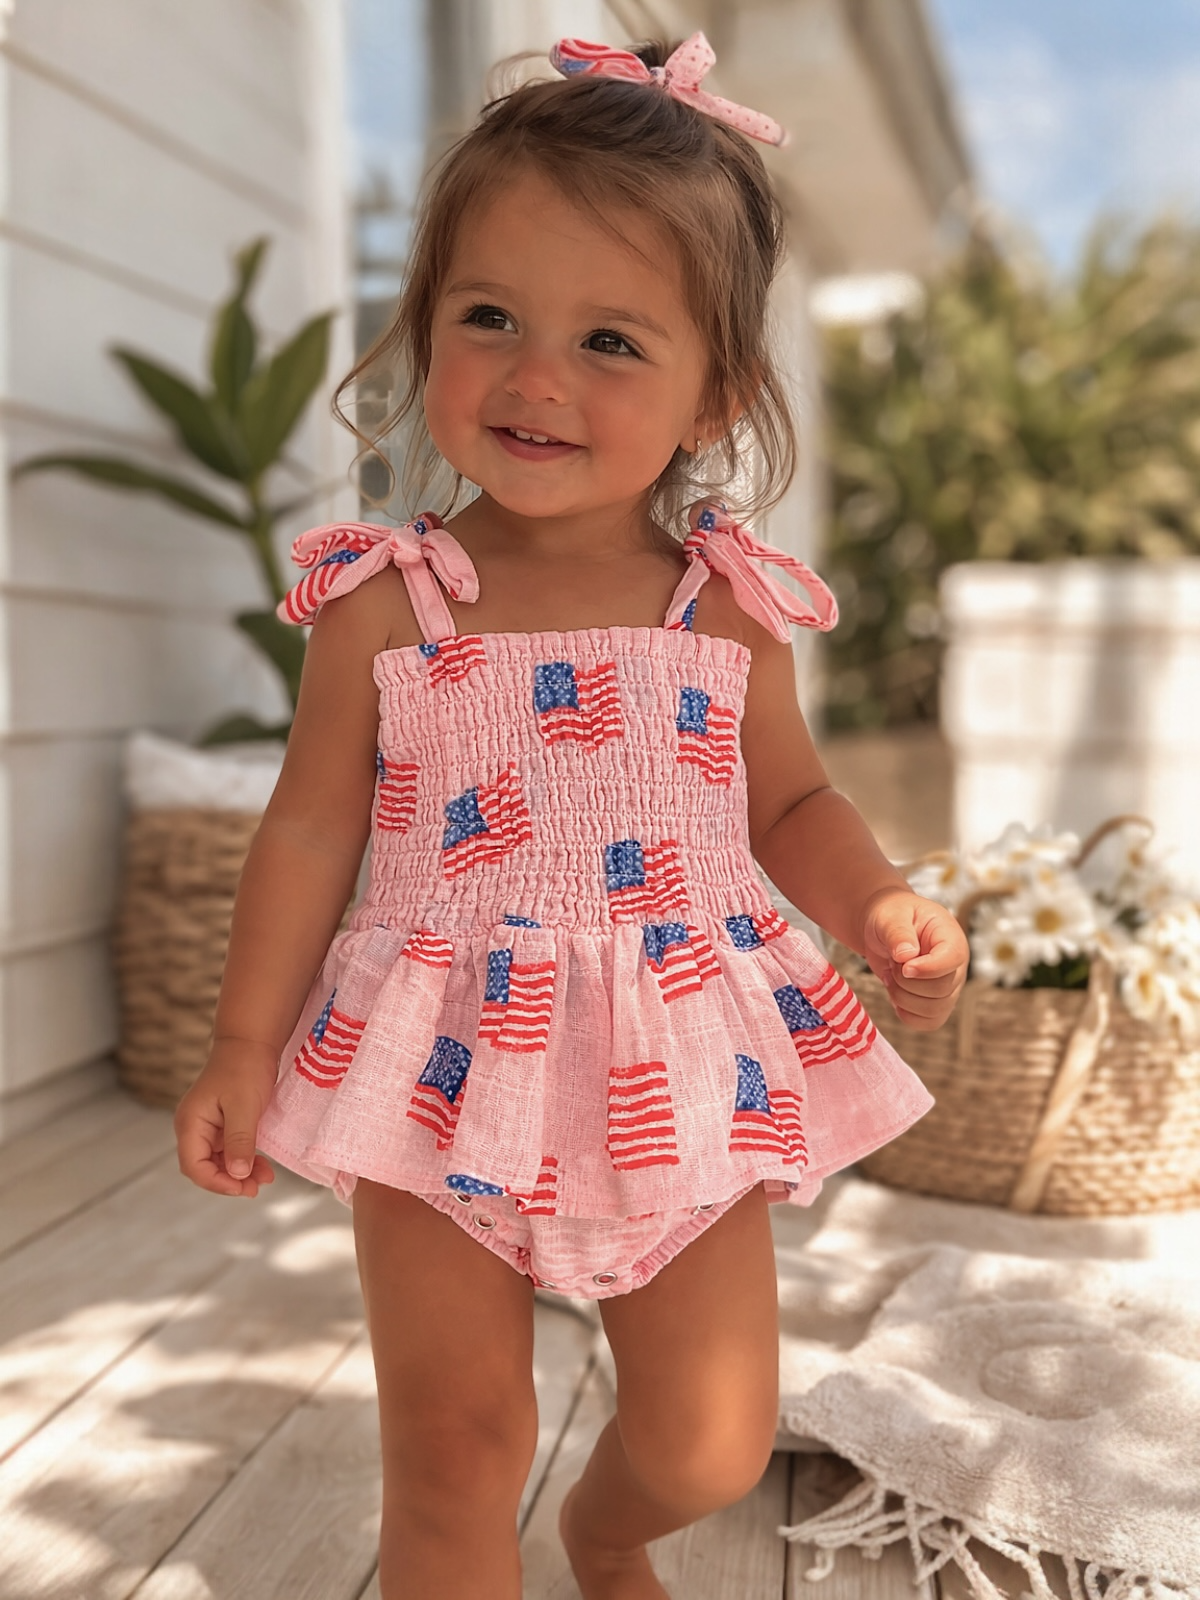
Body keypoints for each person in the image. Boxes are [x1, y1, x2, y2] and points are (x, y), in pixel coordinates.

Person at [175, 33, 967, 1600]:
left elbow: (789, 796)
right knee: (457, 1448)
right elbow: (311, 834)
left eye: (612, 339)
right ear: (422, 336)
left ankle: (607, 1529)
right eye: (490, 319)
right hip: (439, 1062)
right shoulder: (389, 610)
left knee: (711, 1442)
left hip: (676, 1053)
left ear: (715, 392)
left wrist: (871, 900)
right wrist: (243, 1046)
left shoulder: (721, 614)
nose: (536, 378)